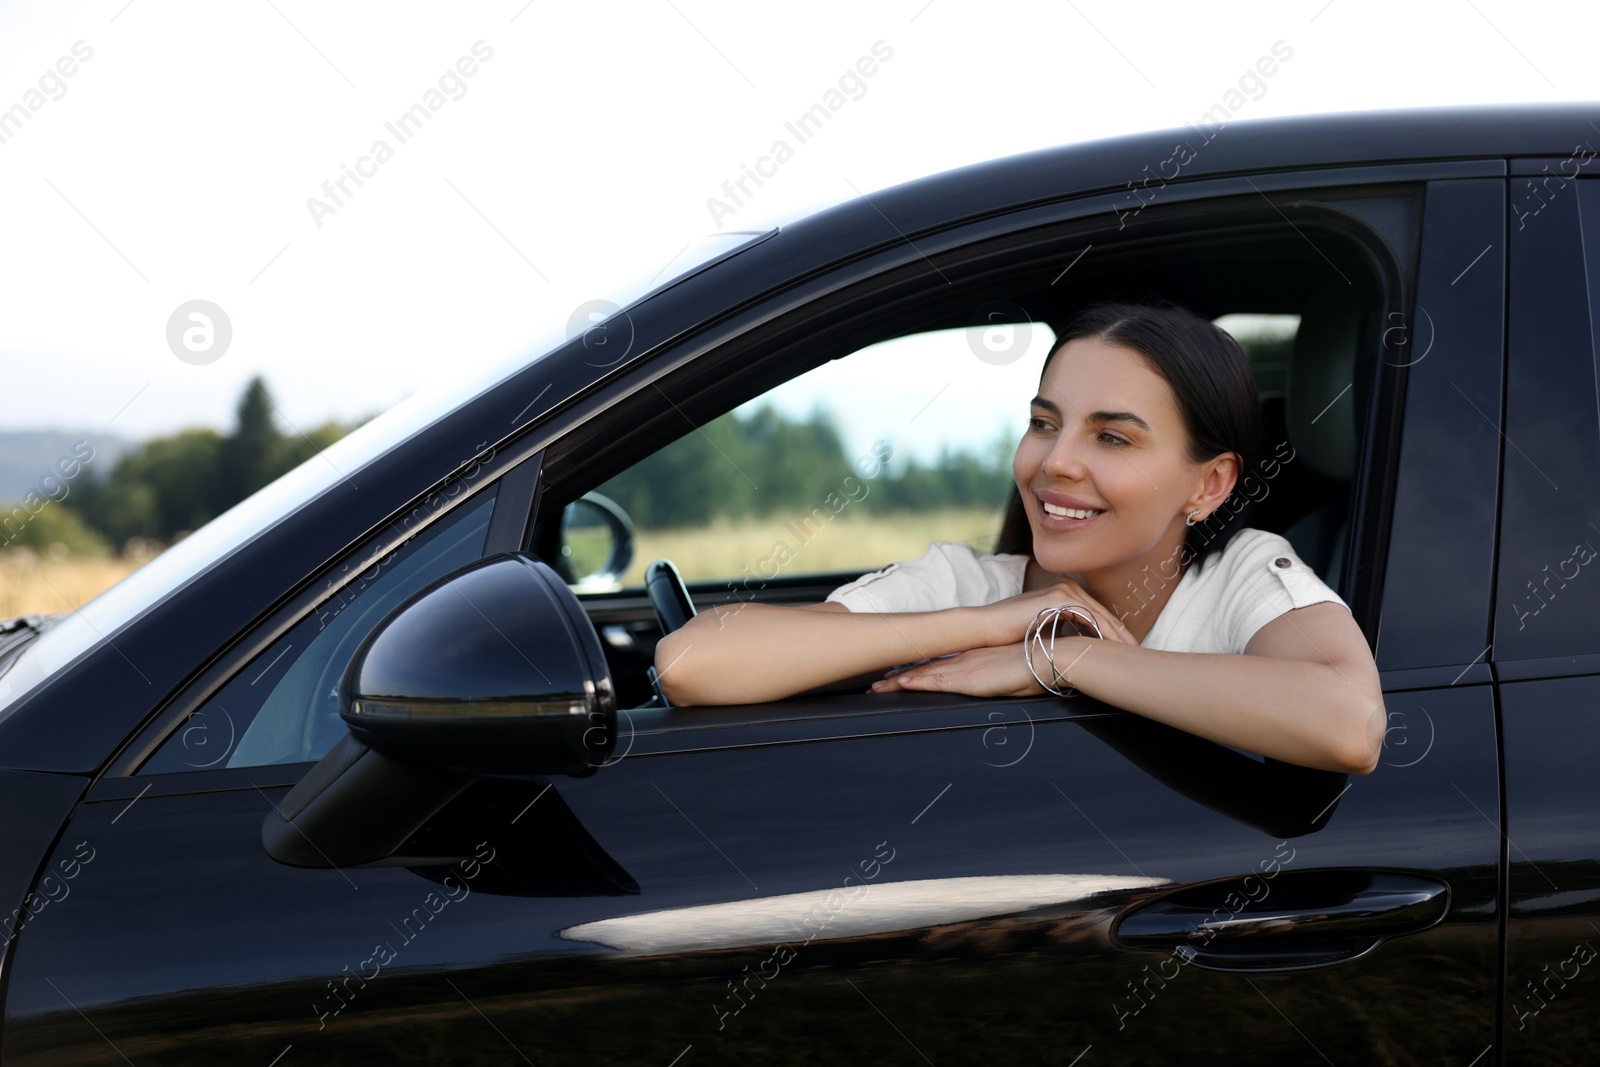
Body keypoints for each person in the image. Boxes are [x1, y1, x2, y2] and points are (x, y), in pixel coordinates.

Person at [653, 301, 1385, 775]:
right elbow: (690, 663)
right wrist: (990, 625)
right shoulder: (967, 585)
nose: (1054, 460)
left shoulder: (1244, 574)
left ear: (1209, 484)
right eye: (1044, 422)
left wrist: (1062, 656)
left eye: (1112, 437)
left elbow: (1348, 723)